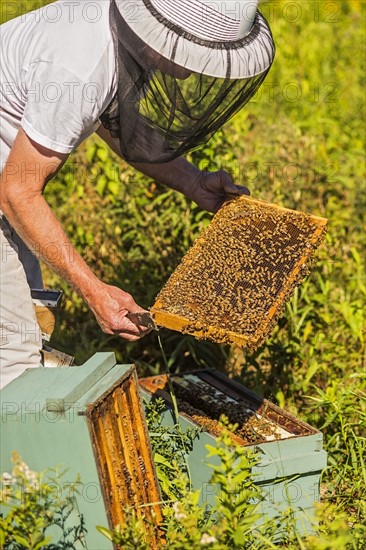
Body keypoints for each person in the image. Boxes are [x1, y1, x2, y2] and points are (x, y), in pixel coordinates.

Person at [0, 0, 275, 388]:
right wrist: (94, 291)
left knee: (26, 324)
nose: (196, 66)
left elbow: (115, 127)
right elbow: (16, 192)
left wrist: (193, 182)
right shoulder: (78, 67)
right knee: (12, 363)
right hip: (8, 190)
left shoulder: (111, 35)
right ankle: (20, 448)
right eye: (195, 49)